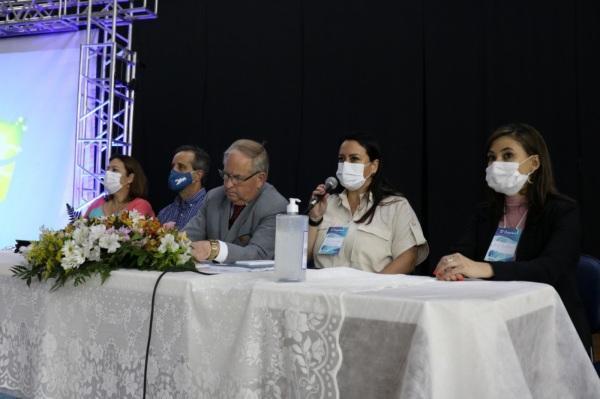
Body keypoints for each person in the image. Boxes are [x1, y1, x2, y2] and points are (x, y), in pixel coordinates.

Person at [433, 123, 591, 350]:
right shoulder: (485, 213)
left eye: (507, 156)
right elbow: (462, 254)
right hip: (490, 322)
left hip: (548, 327)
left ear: (534, 163)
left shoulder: (563, 211)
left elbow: (550, 269)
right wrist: (452, 265)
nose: (496, 164)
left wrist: (484, 268)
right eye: (491, 158)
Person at [307, 133, 429, 274]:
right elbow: (302, 259)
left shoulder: (395, 206)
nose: (346, 165)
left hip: (368, 292)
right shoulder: (326, 203)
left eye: (354, 159)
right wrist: (314, 220)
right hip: (324, 291)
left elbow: (408, 258)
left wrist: (373, 289)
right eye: (341, 159)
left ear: (374, 166)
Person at [184, 139, 287, 262]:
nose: (228, 185)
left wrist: (216, 250)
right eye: (226, 175)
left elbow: (259, 254)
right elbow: (187, 238)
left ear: (260, 179)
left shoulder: (275, 206)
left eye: (237, 178)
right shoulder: (213, 197)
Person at [84, 154, 154, 218]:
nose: (108, 173)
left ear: (130, 178)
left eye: (114, 170)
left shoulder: (141, 205)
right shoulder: (98, 202)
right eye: (108, 169)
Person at [158, 145, 210, 230]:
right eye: (172, 167)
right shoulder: (164, 213)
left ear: (197, 175)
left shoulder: (211, 210)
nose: (173, 171)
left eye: (181, 167)